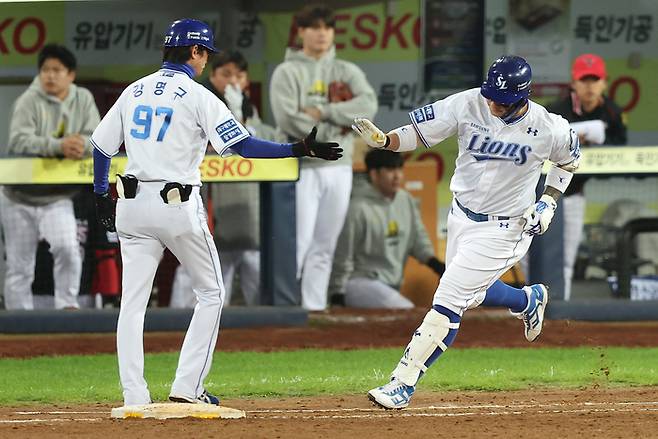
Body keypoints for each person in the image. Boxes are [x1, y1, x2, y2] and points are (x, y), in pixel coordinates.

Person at [90, 18, 342, 407]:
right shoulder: (198, 95)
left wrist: (99, 193)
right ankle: (187, 387)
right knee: (211, 292)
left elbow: (101, 147)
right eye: (205, 52)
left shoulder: (134, 90)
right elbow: (243, 145)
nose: (206, 60)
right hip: (176, 206)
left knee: (133, 304)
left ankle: (134, 397)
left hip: (132, 204)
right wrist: (297, 149)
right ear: (194, 51)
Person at [352, 55, 580, 409]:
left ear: (522, 98)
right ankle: (527, 300)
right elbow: (416, 133)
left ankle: (402, 383)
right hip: (461, 215)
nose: (491, 103)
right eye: (490, 95)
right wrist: (385, 141)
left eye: (500, 101)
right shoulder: (468, 102)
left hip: (507, 226)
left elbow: (568, 163)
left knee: (449, 298)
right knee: (472, 294)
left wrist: (548, 202)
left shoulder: (551, 128)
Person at [270, 4, 378, 311]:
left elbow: (368, 106)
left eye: (327, 28)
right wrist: (338, 130)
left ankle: (314, 308)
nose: (322, 33)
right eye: (315, 27)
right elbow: (288, 119)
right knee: (299, 243)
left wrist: (325, 112)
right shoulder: (287, 71)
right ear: (301, 31)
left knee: (325, 245)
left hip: (339, 166)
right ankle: (286, 307)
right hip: (302, 166)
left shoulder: (346, 70)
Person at [0, 43, 100, 310]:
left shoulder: (83, 99)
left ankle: (67, 308)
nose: (50, 75)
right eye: (45, 70)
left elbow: (98, 136)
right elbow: (18, 141)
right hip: (17, 195)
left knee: (68, 248)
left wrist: (82, 144)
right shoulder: (27, 101)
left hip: (57, 195)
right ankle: (18, 324)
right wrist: (58, 146)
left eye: (57, 70)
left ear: (71, 74)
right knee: (20, 265)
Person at [546, 53, 627, 300]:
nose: (589, 86)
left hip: (574, 193)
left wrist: (593, 144)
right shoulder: (556, 111)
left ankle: (560, 316)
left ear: (604, 82)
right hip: (542, 191)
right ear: (574, 83)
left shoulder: (612, 112)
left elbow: (621, 147)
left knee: (567, 259)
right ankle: (536, 307)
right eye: (584, 80)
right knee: (533, 256)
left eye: (595, 80)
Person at [329, 149, 445, 308]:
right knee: (405, 310)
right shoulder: (357, 208)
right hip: (357, 282)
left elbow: (418, 239)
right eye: (390, 170)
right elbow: (343, 254)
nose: (397, 176)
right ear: (374, 174)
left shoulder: (405, 199)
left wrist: (437, 266)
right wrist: (337, 293)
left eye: (399, 169)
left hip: (389, 285)